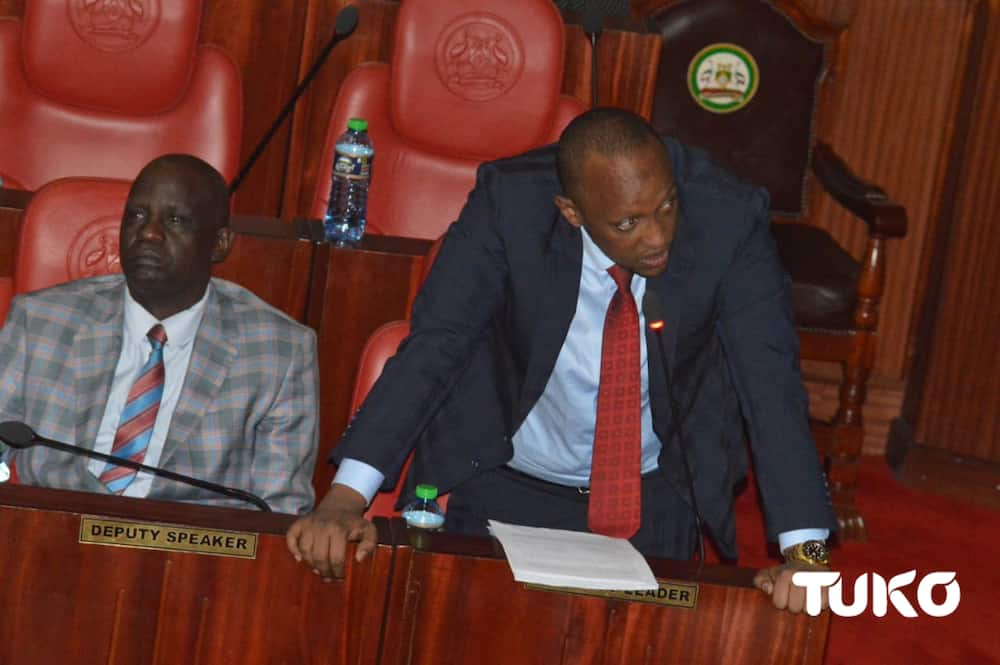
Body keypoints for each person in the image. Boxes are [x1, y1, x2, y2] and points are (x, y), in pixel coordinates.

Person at [287, 108, 836, 611]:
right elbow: (438, 342)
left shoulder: (728, 218)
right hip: (508, 477)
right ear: (571, 211)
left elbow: (770, 386)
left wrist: (806, 555)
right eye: (627, 224)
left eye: (666, 206)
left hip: (657, 490)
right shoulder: (511, 204)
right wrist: (344, 496)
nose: (657, 237)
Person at [0, 154, 319, 514]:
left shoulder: (279, 350)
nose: (148, 233)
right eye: (136, 215)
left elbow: (279, 510)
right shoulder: (41, 320)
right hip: (48, 532)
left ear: (220, 244)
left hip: (189, 553)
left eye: (175, 220)